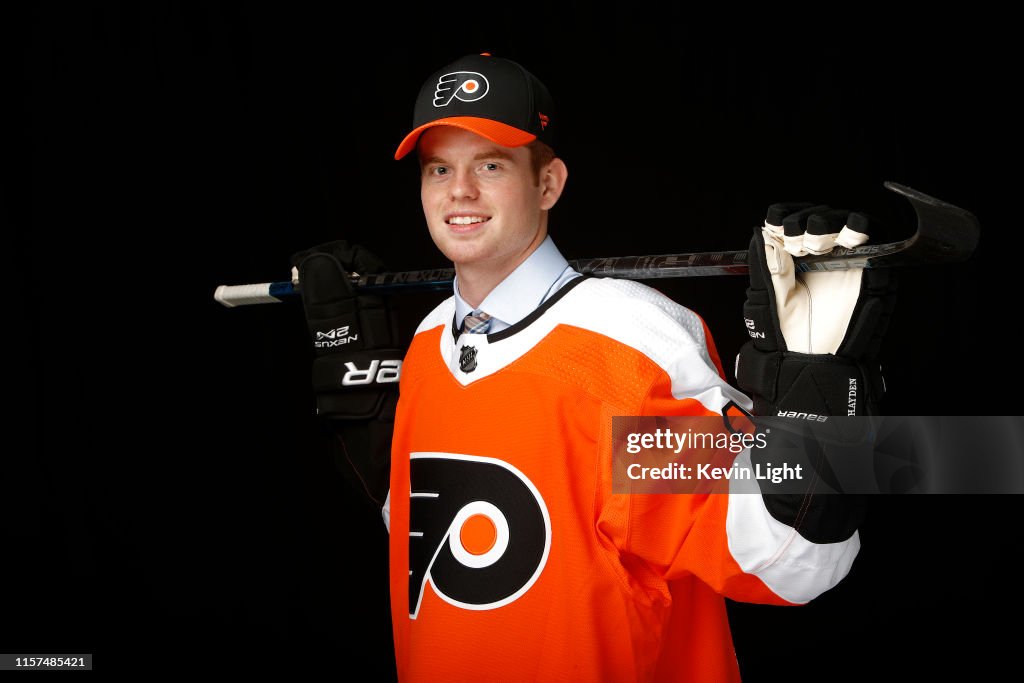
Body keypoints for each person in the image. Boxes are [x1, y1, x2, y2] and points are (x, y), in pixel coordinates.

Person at [290, 52, 896, 682]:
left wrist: (814, 406)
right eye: (439, 168)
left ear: (548, 184)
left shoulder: (629, 346)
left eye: (490, 166)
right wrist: (354, 388)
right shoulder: (424, 345)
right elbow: (430, 544)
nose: (459, 192)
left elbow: (787, 558)